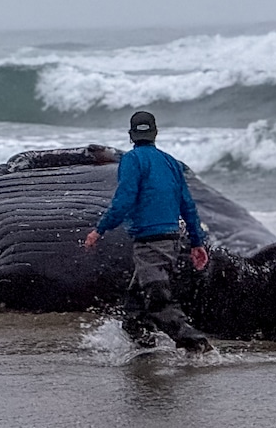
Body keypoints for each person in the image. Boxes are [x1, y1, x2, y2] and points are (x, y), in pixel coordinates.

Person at [85, 111, 212, 351]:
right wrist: (197, 242)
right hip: (170, 239)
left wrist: (99, 230)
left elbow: (124, 200)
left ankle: (200, 347)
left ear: (131, 135)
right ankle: (145, 355)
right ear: (155, 133)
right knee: (134, 311)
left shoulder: (132, 160)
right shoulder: (171, 163)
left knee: (158, 303)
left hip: (149, 241)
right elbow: (188, 205)